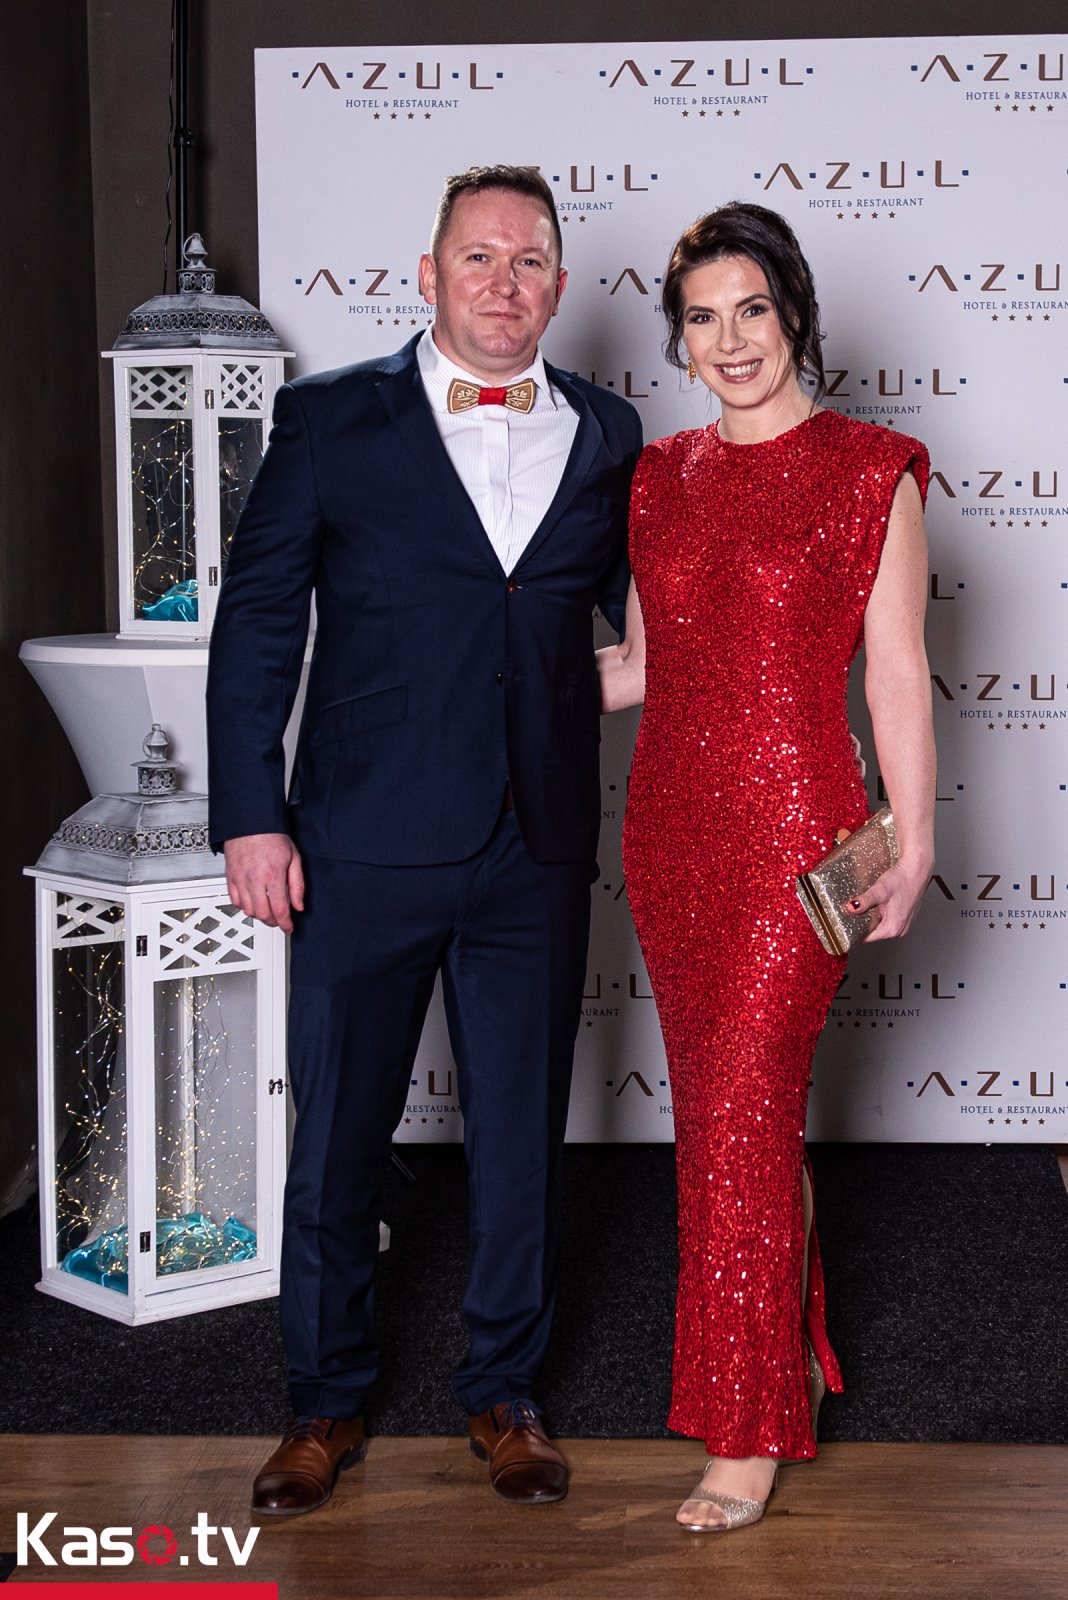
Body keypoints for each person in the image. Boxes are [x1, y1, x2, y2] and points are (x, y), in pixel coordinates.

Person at [206, 165, 642, 1516]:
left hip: (534, 848)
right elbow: (258, 629)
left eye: (529, 261)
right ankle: (323, 1401)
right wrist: (251, 816)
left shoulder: (612, 432)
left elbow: (642, 629)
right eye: (479, 257)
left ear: (558, 288)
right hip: (360, 843)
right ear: (429, 274)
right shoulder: (331, 419)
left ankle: (505, 1393)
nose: (504, 282)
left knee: (521, 1138)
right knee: (338, 1135)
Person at [598, 201, 935, 1531]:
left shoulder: (871, 470)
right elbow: (639, 668)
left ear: (794, 313)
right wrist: (469, 669)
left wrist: (914, 835)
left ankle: (745, 1432)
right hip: (670, 836)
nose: (730, 340)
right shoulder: (656, 477)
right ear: (678, 339)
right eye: (702, 318)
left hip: (805, 840)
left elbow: (896, 671)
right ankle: (777, 1361)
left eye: (752, 309)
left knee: (742, 1116)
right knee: (727, 1124)